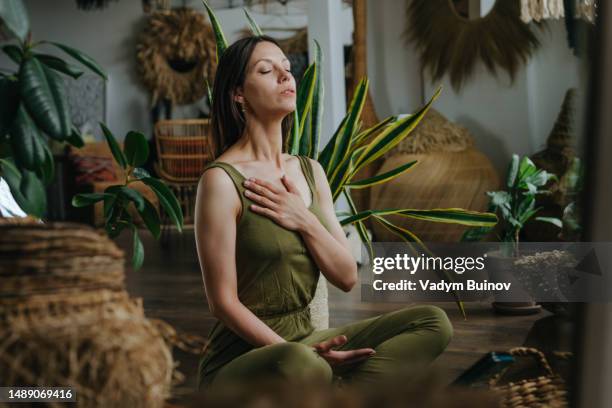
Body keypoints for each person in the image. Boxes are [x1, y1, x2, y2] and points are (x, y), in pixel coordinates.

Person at [194, 35, 453, 390]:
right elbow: (221, 302)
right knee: (306, 365)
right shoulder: (221, 181)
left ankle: (336, 393)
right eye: (267, 70)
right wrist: (301, 353)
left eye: (287, 68)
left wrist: (303, 218)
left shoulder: (310, 171)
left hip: (308, 342)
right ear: (239, 93)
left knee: (433, 322)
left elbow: (346, 276)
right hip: (246, 357)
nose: (286, 76)